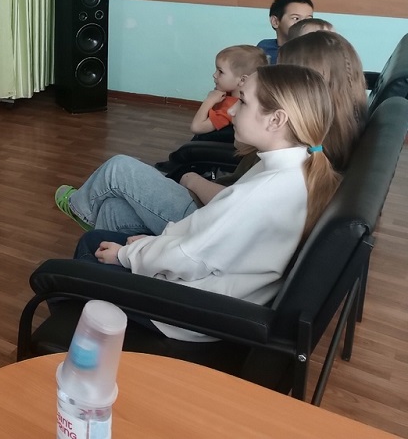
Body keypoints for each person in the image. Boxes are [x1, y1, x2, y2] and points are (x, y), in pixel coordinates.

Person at [76, 65, 339, 341]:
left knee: (87, 249)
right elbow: (206, 236)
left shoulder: (263, 191)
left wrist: (126, 255)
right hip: (223, 288)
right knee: (111, 214)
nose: (232, 110)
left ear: (276, 120)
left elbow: (188, 258)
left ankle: (84, 341)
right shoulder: (296, 166)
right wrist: (150, 244)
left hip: (191, 309)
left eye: (243, 101)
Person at [55, 31, 365, 235]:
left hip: (209, 220)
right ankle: (100, 277)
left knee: (119, 168)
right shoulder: (319, 140)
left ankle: (81, 210)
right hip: (215, 212)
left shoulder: (291, 162)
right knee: (112, 210)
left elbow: (227, 213)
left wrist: (192, 180)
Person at [189, 45, 267, 140]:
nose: (214, 75)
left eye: (220, 72)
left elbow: (196, 127)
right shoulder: (229, 95)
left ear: (242, 80)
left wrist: (209, 101)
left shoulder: (231, 108)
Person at [257, 0, 314, 64]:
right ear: (275, 21)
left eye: (308, 19)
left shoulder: (315, 52)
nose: (303, 23)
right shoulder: (264, 48)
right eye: (296, 18)